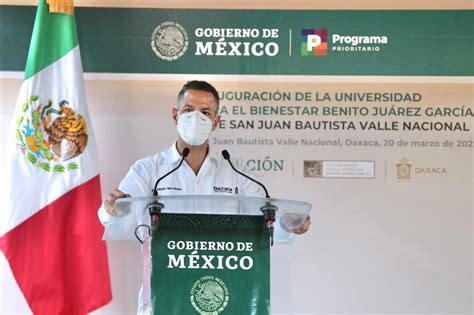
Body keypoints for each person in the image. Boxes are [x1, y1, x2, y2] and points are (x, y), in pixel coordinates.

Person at [98, 80, 311, 314]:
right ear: (174, 115)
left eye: (205, 113)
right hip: (165, 296)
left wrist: (288, 225)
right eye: (188, 111)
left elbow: (262, 228)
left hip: (224, 295)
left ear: (215, 122)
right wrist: (113, 208)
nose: (196, 118)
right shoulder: (148, 170)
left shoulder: (237, 173)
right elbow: (116, 213)